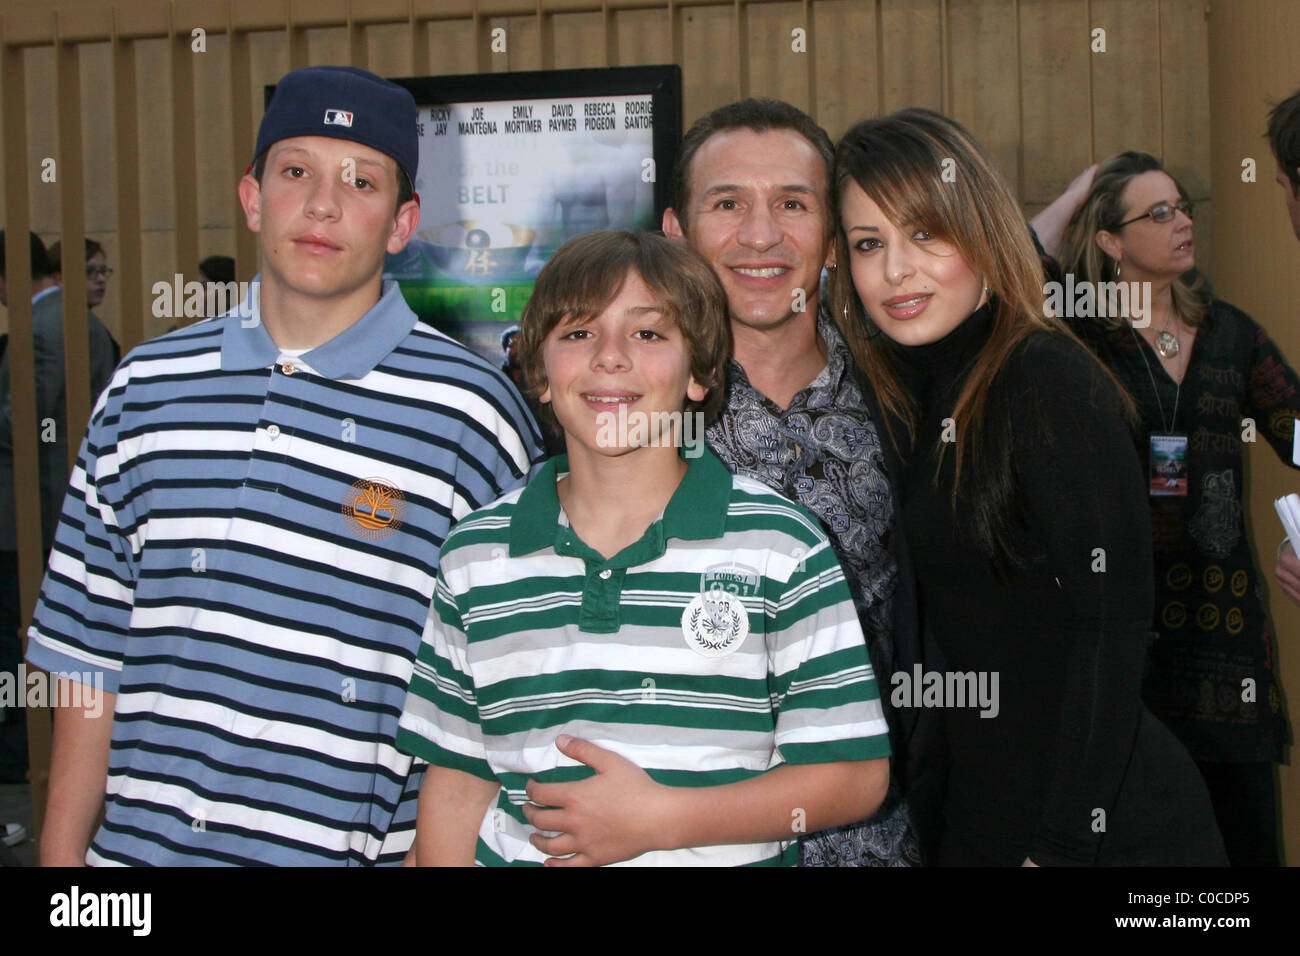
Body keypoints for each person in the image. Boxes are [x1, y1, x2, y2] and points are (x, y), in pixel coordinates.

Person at [25, 65, 544, 866]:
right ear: (252, 196)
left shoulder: (473, 418)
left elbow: (497, 690)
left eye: (361, 180)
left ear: (404, 223)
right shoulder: (144, 391)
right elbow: (85, 655)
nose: (323, 204)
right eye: (295, 170)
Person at [396, 229, 890, 866]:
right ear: (539, 372)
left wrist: (664, 820)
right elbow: (459, 782)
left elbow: (853, 776)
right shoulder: (475, 556)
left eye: (648, 333)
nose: (610, 357)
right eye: (578, 333)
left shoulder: (781, 546)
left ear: (700, 373)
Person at [833, 108, 1226, 865]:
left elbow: (1110, 633)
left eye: (926, 233)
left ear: (980, 228)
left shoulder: (1047, 380)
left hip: (1107, 832)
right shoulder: (907, 391)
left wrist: (1058, 846)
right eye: (868, 244)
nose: (895, 271)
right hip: (989, 814)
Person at [662, 97, 925, 866]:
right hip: (680, 838)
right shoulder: (623, 414)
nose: (761, 235)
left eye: (792, 204)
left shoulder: (911, 404)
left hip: (885, 840)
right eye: (727, 203)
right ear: (676, 232)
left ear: (834, 242)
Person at [1058, 150, 1296, 866]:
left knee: (1245, 844)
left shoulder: (1232, 334)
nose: (1182, 221)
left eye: (1183, 206)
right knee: (1142, 852)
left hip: (1228, 643)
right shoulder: (1078, 341)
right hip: (1122, 637)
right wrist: (1074, 194)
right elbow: (1011, 270)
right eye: (1157, 214)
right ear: (1110, 240)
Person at [0, 231, 118, 796]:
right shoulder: (73, 324)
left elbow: (22, 418)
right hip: (47, 506)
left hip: (32, 507)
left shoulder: (46, 327)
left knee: (22, 635)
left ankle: (25, 757)